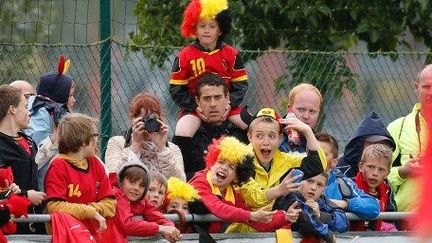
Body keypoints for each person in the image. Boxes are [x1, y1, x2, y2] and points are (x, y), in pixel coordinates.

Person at [170, 0, 248, 142]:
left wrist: (229, 105)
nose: (207, 30)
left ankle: (252, 163)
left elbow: (240, 86)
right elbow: (176, 89)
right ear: (194, 29)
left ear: (220, 30)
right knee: (183, 130)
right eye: (202, 26)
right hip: (194, 108)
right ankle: (181, 164)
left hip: (227, 106)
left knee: (253, 125)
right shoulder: (184, 56)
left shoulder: (232, 54)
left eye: (212, 26)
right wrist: (195, 106)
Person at [189, 136, 299, 234]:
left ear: (236, 177)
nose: (224, 168)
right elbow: (217, 207)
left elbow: (258, 223)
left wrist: (285, 217)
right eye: (221, 162)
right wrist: (250, 216)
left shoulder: (232, 193)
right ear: (212, 163)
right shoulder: (200, 181)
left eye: (231, 167)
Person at [239, 107, 327, 209]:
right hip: (239, 223)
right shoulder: (240, 159)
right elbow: (251, 199)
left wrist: (308, 131)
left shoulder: (285, 161)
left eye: (271, 136)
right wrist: (280, 190)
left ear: (279, 139)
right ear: (250, 137)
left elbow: (318, 165)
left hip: (271, 223)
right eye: (259, 136)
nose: (266, 142)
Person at [44, 113, 116, 237]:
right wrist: (88, 212)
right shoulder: (58, 166)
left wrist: (92, 210)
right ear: (83, 141)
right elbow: (54, 206)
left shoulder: (95, 163)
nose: (97, 139)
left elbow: (111, 204)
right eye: (95, 135)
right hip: (68, 235)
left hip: (94, 234)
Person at [173, 72, 247, 180]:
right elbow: (177, 174)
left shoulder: (240, 133)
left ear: (227, 98)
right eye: (207, 98)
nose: (213, 104)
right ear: (197, 101)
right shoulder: (187, 136)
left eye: (217, 97)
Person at [105, 93, 186, 181]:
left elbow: (180, 182)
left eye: (152, 119)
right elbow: (113, 178)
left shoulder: (172, 149)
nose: (148, 123)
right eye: (143, 119)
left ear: (160, 120)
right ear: (133, 120)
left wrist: (162, 148)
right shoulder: (117, 143)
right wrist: (135, 145)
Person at [96, 161, 180, 243]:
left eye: (142, 185)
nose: (136, 188)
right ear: (120, 182)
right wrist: (159, 228)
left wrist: (170, 229)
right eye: (132, 182)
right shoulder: (116, 195)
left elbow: (159, 218)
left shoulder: (142, 202)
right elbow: (127, 225)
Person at [0, 85, 46, 234]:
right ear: (12, 109)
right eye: (25, 107)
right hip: (11, 223)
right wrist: (26, 195)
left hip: (35, 219)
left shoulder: (29, 142)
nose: (29, 113)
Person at [387, 64, 432, 213]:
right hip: (406, 219)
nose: (431, 92)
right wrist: (401, 172)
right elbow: (373, 175)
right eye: (426, 86)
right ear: (416, 87)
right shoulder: (397, 128)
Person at [316, 132, 380, 222]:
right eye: (312, 152)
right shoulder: (296, 177)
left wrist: (346, 203)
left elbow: (373, 207)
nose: (316, 157)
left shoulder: (342, 183)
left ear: (335, 161)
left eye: (323, 154)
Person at [274, 172, 349, 243]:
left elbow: (344, 223)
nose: (313, 187)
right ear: (300, 181)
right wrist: (327, 233)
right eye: (310, 181)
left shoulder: (323, 201)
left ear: (323, 190)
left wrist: (320, 215)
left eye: (319, 184)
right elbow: (305, 220)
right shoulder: (290, 197)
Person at [26, 55, 76, 146]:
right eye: (71, 95)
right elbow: (37, 150)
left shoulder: (53, 112)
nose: (74, 100)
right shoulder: (42, 114)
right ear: (59, 96)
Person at [351, 144, 398, 231]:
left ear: (387, 173)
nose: (375, 173)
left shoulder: (386, 189)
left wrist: (389, 229)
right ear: (361, 167)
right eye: (371, 167)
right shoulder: (349, 187)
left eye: (381, 169)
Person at [337, 111, 396, 177]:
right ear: (360, 145)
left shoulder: (380, 171)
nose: (377, 149)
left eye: (382, 145)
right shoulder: (341, 168)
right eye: (373, 144)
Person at [279, 83, 323, 155]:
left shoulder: (321, 143)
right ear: (289, 108)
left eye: (312, 111)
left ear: (318, 113)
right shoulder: (274, 136)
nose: (306, 116)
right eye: (301, 109)